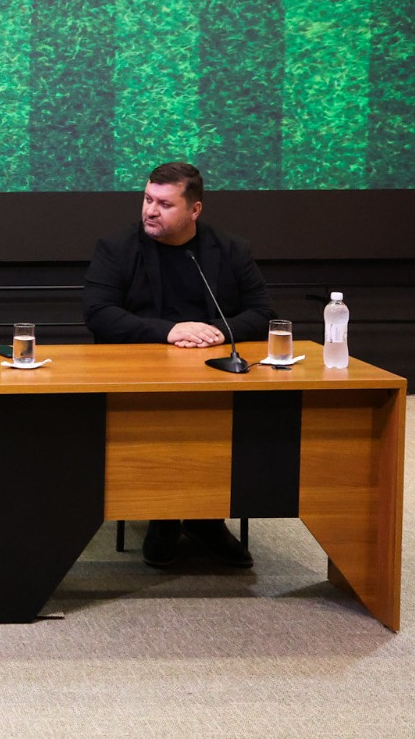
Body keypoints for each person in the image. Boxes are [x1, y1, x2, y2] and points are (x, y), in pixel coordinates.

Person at [83, 161, 275, 570]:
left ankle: (207, 518)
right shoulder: (117, 248)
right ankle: (165, 515)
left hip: (214, 372)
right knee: (167, 416)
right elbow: (98, 313)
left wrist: (216, 332)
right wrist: (170, 331)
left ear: (194, 210)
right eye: (147, 199)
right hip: (142, 374)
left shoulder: (230, 249)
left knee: (229, 419)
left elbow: (262, 312)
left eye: (164, 204)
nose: (150, 211)